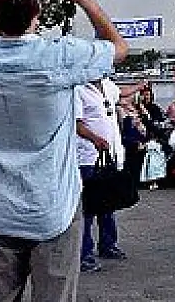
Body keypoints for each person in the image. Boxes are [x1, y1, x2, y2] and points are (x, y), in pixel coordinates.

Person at [0, 0, 128, 302]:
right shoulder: (60, 55)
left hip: (0, 211)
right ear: (36, 11)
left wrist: (14, 2)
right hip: (52, 210)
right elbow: (118, 48)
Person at [74, 79, 129, 273]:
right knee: (88, 208)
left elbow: (121, 94)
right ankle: (84, 254)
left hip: (108, 154)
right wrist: (95, 139)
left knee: (107, 203)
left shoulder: (107, 85)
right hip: (87, 156)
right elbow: (77, 124)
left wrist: (139, 87)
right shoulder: (78, 89)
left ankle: (108, 244)